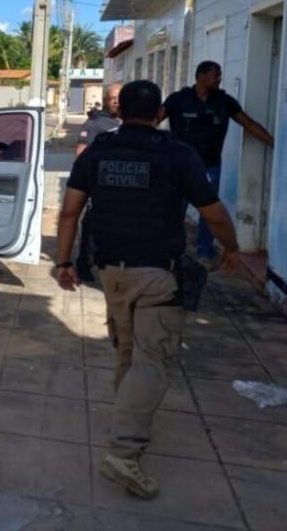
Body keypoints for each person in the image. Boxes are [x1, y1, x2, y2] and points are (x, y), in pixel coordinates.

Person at [52, 79, 240, 500]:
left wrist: (64, 263)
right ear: (159, 114)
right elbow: (213, 213)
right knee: (152, 360)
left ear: (120, 112)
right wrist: (231, 249)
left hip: (109, 272)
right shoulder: (178, 153)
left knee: (126, 351)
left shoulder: (98, 151)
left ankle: (127, 420)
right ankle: (124, 452)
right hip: (157, 274)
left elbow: (69, 213)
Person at [160, 61, 274, 261]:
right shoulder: (178, 100)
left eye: (220, 75)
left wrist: (274, 144)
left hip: (210, 166)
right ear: (201, 76)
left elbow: (248, 123)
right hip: (178, 168)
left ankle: (205, 250)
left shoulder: (224, 102)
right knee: (175, 209)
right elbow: (153, 120)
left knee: (209, 211)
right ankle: (171, 250)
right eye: (216, 75)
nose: (219, 79)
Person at [73, 84, 122, 283]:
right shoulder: (95, 123)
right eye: (112, 98)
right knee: (93, 226)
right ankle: (84, 263)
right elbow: (80, 154)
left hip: (123, 185)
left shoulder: (128, 120)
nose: (117, 101)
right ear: (105, 101)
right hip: (102, 186)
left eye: (120, 97)